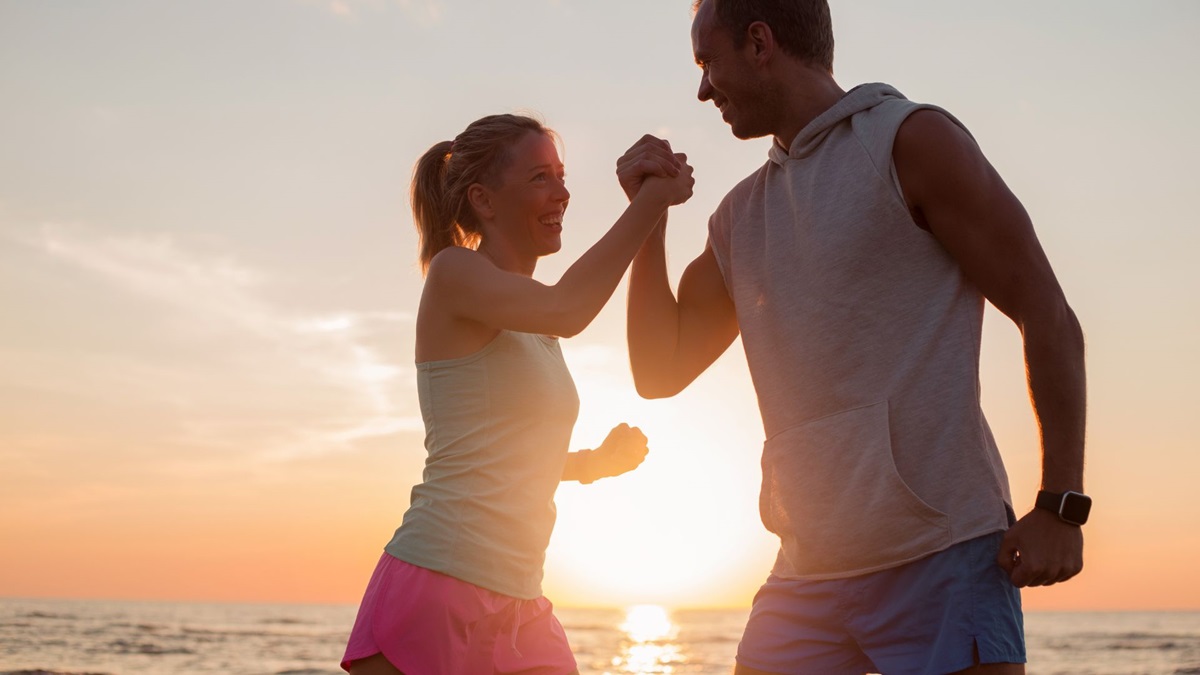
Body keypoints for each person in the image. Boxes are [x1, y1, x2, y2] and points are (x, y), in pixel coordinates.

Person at [618, 1, 1088, 673]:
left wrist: (1062, 506)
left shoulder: (910, 141)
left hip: (944, 553)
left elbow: (1047, 312)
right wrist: (648, 216)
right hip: (805, 572)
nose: (701, 88)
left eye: (706, 60)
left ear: (759, 43)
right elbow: (659, 369)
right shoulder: (739, 217)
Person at [342, 113, 694, 675]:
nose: (562, 194)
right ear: (483, 200)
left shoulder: (531, 315)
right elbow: (570, 308)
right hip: (438, 585)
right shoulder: (455, 273)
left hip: (520, 601)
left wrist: (592, 465)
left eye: (560, 175)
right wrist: (649, 203)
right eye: (539, 178)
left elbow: (503, 452)